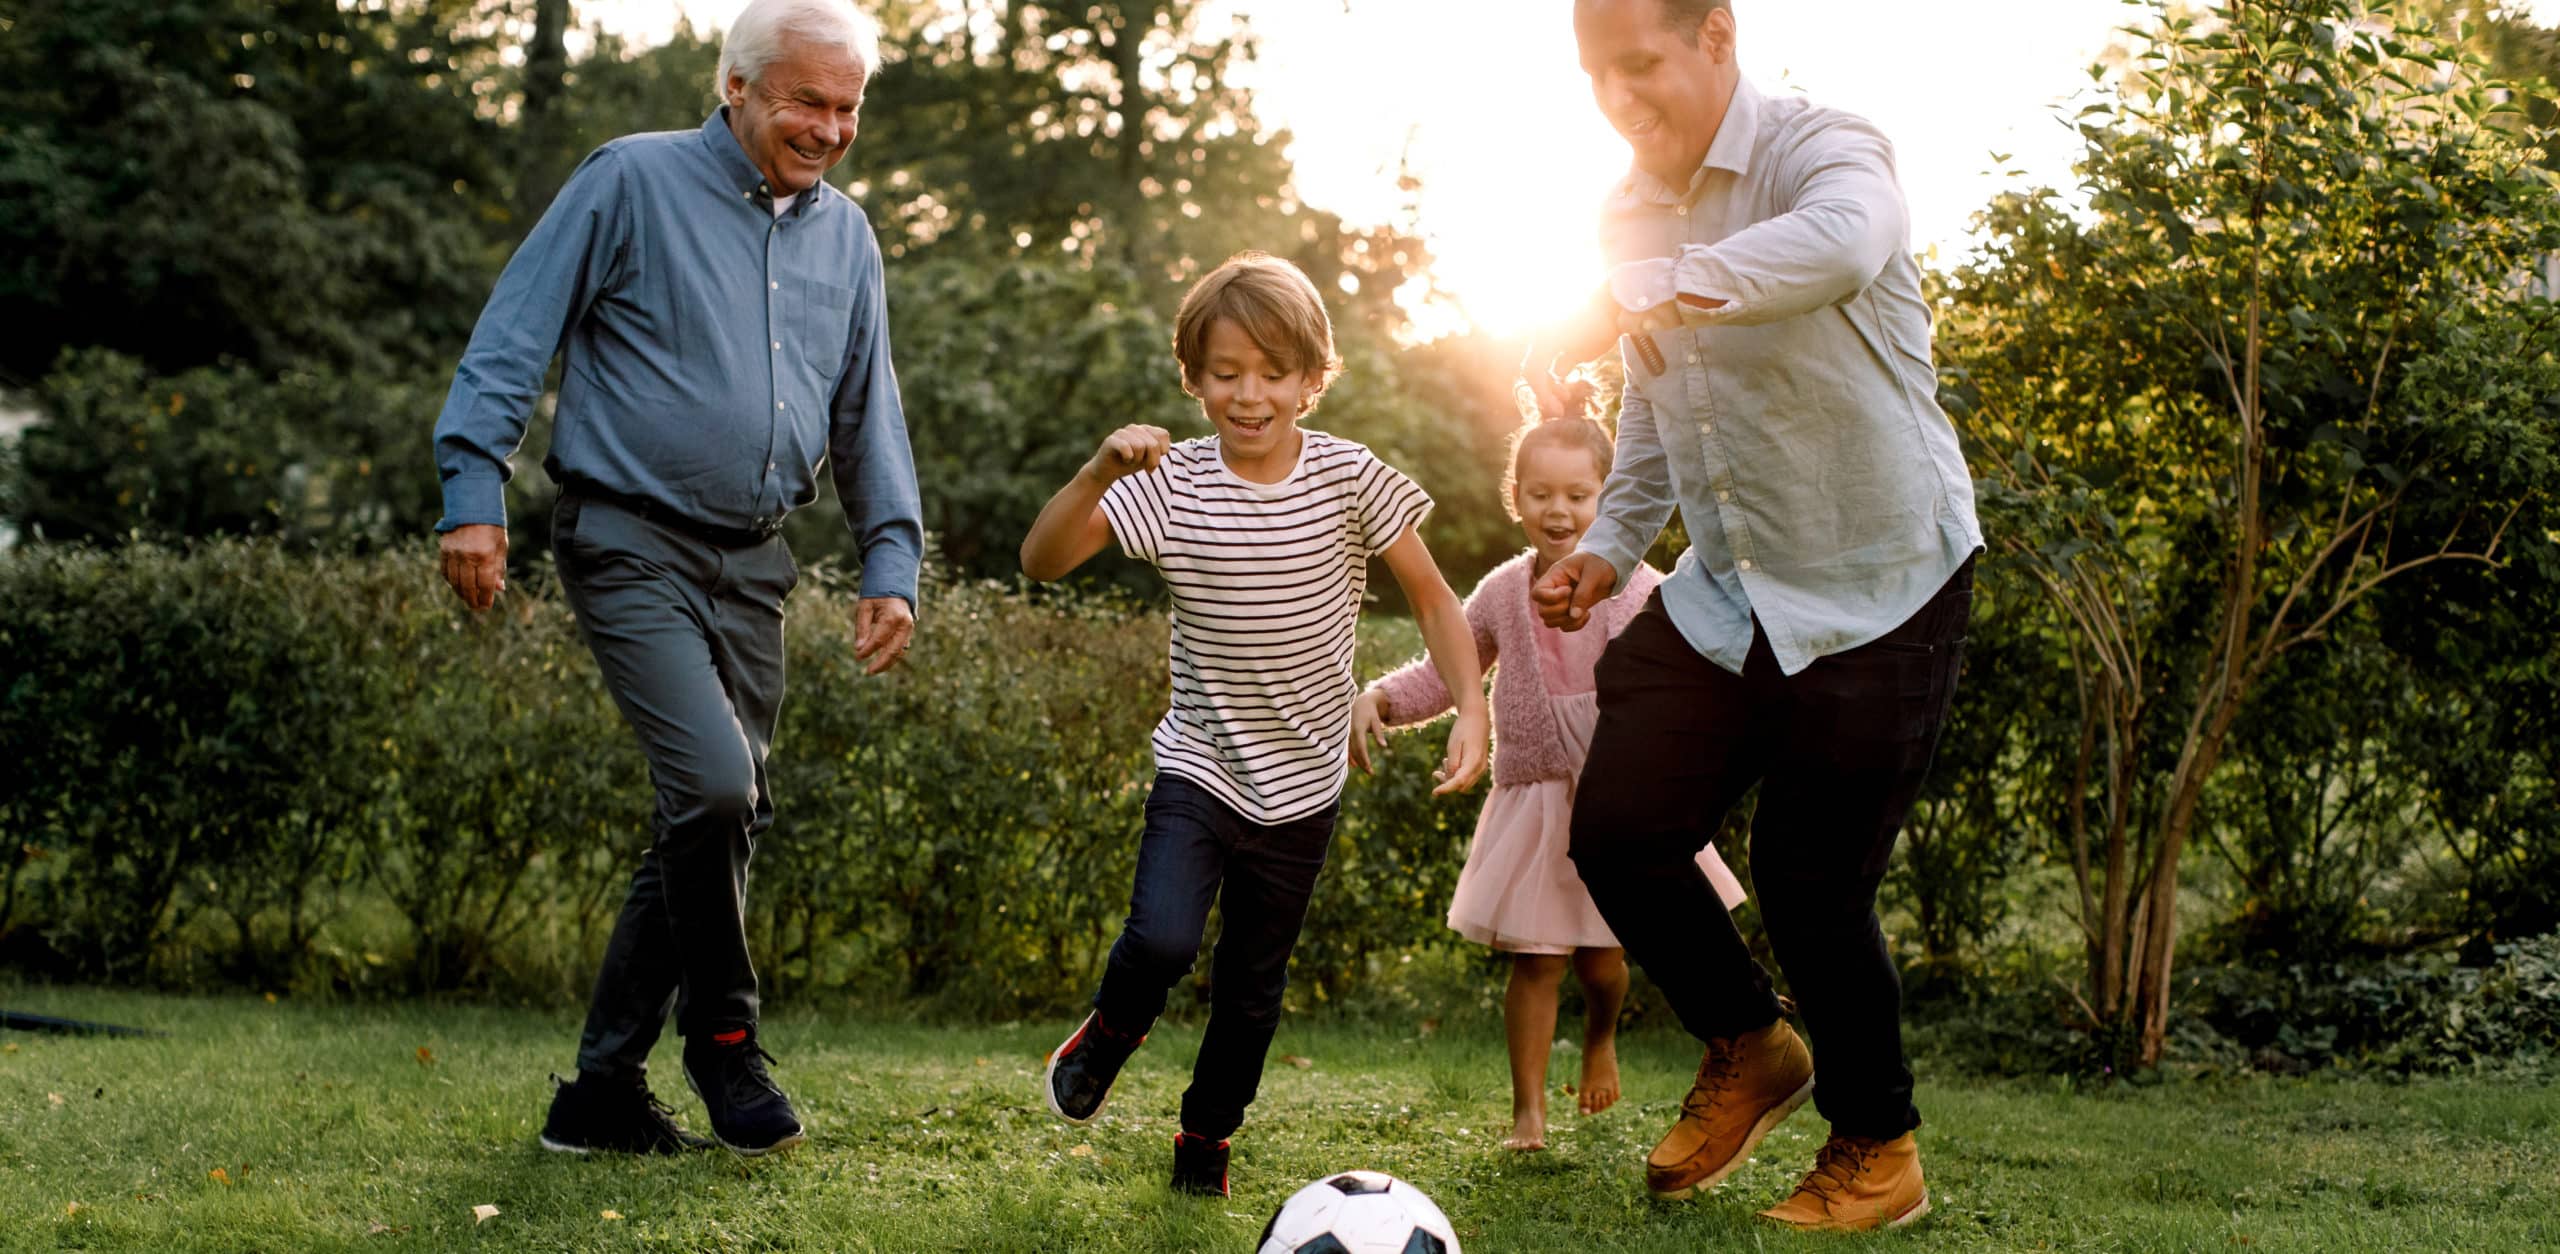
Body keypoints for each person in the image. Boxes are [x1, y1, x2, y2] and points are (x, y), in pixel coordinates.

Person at [1518, 0, 1983, 1232]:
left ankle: (1878, 1146)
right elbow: (1667, 414)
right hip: (1732, 589)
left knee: (1809, 881)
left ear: (1714, 35)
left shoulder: (1826, 149)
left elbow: (1838, 246)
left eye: (1638, 63)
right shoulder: (1625, 213)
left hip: (1882, 581)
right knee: (1617, 829)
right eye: (1593, 73)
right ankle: (1750, 1042)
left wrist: (1648, 286)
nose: (1616, 95)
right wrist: (1613, 546)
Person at [428, 0, 922, 1159]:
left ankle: (598, 1094)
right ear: (737, 86)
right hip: (626, 535)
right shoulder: (630, 182)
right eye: (808, 100)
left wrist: (889, 556)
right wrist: (472, 491)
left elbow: (869, 412)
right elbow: (514, 333)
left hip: (753, 559)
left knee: (717, 812)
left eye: (849, 107)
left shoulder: (847, 237)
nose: (831, 128)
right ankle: (724, 1043)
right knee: (712, 786)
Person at [1019, 251, 1489, 1198]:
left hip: (1306, 784)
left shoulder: (1350, 478)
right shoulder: (1170, 485)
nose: (1250, 394)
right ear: (1192, 378)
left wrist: (1472, 706)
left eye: (1273, 373)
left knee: (1252, 992)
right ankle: (1111, 1030)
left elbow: (1437, 602)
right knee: (1158, 942)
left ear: (1313, 380)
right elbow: (1043, 560)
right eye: (1226, 373)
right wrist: (1098, 469)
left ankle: (1206, 1139)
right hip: (1199, 766)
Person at [1353, 412, 1746, 1154]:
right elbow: (1450, 668)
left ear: (1610, 499)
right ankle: (1527, 1114)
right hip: (1536, 792)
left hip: (1618, 789)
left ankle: (1601, 1037)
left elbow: (1699, 672)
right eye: (1540, 494)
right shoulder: (1504, 591)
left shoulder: (1639, 588)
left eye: (1578, 495)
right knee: (1536, 959)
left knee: (1603, 960)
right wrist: (1381, 697)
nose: (1558, 512)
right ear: (1516, 497)